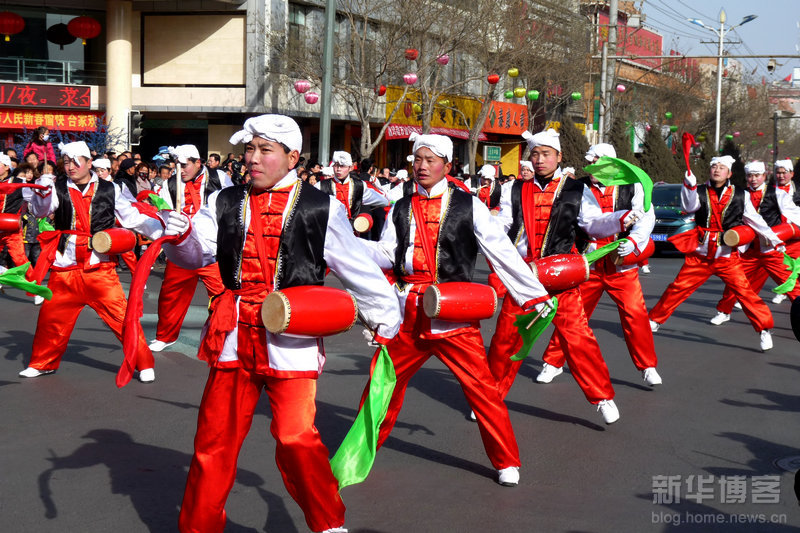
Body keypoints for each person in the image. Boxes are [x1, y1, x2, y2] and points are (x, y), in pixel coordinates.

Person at [161, 115, 400, 533]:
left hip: (291, 338)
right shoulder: (223, 200)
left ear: (292, 157)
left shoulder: (320, 206)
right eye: (249, 150)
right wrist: (180, 238)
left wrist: (383, 317)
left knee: (296, 438)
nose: (252, 159)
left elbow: (356, 267)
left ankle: (327, 522)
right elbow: (196, 257)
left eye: (263, 150)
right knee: (213, 442)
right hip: (233, 333)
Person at [357, 132, 553, 487]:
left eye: (430, 161)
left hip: (455, 315)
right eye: (417, 160)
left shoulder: (468, 205)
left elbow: (502, 254)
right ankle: (361, 452)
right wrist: (348, 243)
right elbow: (387, 254)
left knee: (482, 390)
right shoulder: (401, 207)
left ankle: (506, 460)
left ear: (447, 166)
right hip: (408, 315)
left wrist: (533, 295)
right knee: (380, 386)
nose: (421, 167)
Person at [487, 129, 638, 424]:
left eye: (546, 154)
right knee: (505, 339)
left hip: (560, 275)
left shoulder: (576, 189)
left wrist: (620, 219)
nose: (539, 159)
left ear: (559, 157)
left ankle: (602, 396)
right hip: (524, 276)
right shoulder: (514, 189)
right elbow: (502, 223)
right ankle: (491, 397)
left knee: (577, 338)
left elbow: (593, 224)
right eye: (535, 154)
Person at [18, 141, 164, 381]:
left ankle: (143, 362)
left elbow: (131, 218)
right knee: (51, 320)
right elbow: (41, 212)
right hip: (65, 268)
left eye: (76, 162)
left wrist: (161, 231)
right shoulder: (57, 187)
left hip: (100, 269)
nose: (70, 167)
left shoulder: (110, 189)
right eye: (66, 162)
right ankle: (43, 362)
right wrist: (41, 194)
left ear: (88, 162)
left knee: (122, 319)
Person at [535, 143, 662, 387]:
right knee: (570, 316)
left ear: (611, 164)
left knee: (636, 315)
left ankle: (647, 365)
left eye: (597, 162)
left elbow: (647, 216)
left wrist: (634, 241)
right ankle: (553, 362)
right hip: (587, 265)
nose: (591, 167)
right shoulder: (577, 187)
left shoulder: (632, 184)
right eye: (590, 162)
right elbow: (586, 223)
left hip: (620, 265)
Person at [649, 156, 780, 352]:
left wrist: (774, 240)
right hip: (700, 256)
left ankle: (764, 329)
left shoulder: (740, 194)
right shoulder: (700, 190)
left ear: (729, 173)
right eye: (713, 167)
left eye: (721, 167)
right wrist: (689, 186)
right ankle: (654, 320)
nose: (716, 170)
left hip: (727, 256)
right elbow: (688, 207)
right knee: (676, 289)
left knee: (746, 293)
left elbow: (755, 220)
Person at [148, 145, 231, 352]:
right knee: (170, 295)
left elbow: (231, 205)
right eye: (177, 166)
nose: (180, 170)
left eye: (185, 165)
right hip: (183, 248)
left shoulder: (218, 178)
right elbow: (164, 213)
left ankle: (223, 334)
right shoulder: (169, 184)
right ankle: (165, 335)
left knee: (223, 294)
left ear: (198, 162)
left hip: (212, 250)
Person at [709, 160, 800, 324]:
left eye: (757, 175)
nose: (753, 179)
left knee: (790, 282)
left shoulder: (777, 194)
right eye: (750, 176)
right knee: (733, 281)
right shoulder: (740, 194)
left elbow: (794, 213)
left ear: (764, 176)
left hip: (771, 249)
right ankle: (724, 311)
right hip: (749, 249)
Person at [316, 151, 388, 222]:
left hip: (351, 228)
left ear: (350, 168)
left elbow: (381, 200)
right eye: (336, 165)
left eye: (342, 166)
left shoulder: (359, 185)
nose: (338, 169)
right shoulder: (320, 186)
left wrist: (388, 202)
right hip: (328, 228)